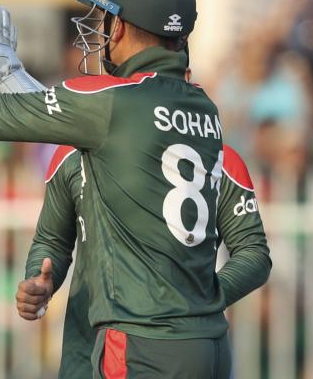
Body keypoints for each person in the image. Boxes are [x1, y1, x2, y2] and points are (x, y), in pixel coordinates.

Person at [0, 0, 272, 377]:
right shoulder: (205, 116)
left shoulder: (107, 103)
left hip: (135, 345)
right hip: (199, 345)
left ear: (122, 27)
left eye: (103, 18)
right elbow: (55, 237)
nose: (97, 30)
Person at [19, 142, 271, 377]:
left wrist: (195, 300)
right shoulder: (72, 154)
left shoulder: (218, 157)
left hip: (185, 347)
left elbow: (254, 253)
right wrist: (39, 280)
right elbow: (51, 241)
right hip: (88, 346)